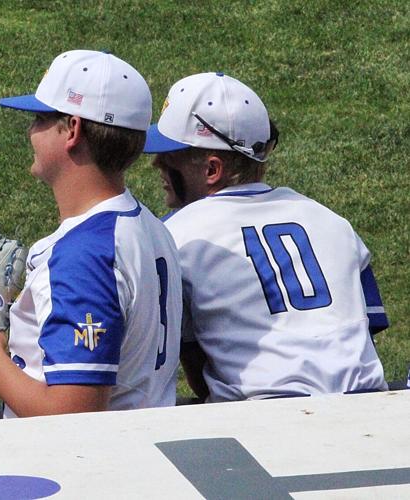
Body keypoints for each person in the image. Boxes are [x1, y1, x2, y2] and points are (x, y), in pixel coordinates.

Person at [0, 50, 183, 417]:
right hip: (137, 448)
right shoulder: (148, 225)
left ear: (72, 130)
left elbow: (71, 414)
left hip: (86, 468)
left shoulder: (84, 256)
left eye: (40, 118)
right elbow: (108, 366)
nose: (31, 131)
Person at [143, 72, 389, 402]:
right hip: (370, 410)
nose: (157, 164)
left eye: (170, 156)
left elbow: (191, 366)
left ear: (211, 169)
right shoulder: (332, 221)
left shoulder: (175, 236)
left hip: (265, 426)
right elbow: (363, 336)